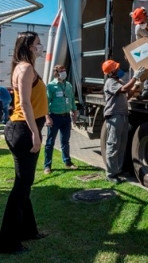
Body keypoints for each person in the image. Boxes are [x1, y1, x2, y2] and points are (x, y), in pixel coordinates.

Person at [0, 31, 48, 254]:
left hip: (21, 129)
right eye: (38, 44)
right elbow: (26, 104)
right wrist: (35, 135)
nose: (41, 47)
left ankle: (29, 230)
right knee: (21, 186)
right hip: (23, 130)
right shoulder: (26, 68)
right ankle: (8, 242)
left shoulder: (23, 66)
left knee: (25, 184)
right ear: (29, 46)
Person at [102, 59, 145, 183]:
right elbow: (124, 89)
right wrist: (135, 78)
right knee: (113, 145)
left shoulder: (117, 81)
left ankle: (118, 170)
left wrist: (136, 87)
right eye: (116, 68)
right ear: (111, 72)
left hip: (122, 115)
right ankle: (111, 174)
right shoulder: (110, 82)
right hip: (115, 116)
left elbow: (127, 96)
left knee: (121, 145)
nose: (119, 70)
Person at [43, 65, 78, 174]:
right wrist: (47, 117)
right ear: (56, 73)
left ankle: (67, 162)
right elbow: (46, 103)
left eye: (64, 70)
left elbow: (72, 99)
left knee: (65, 141)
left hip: (66, 117)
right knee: (50, 142)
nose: (64, 72)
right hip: (54, 117)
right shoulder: (51, 86)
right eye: (61, 71)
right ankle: (47, 166)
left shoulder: (68, 85)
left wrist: (74, 111)